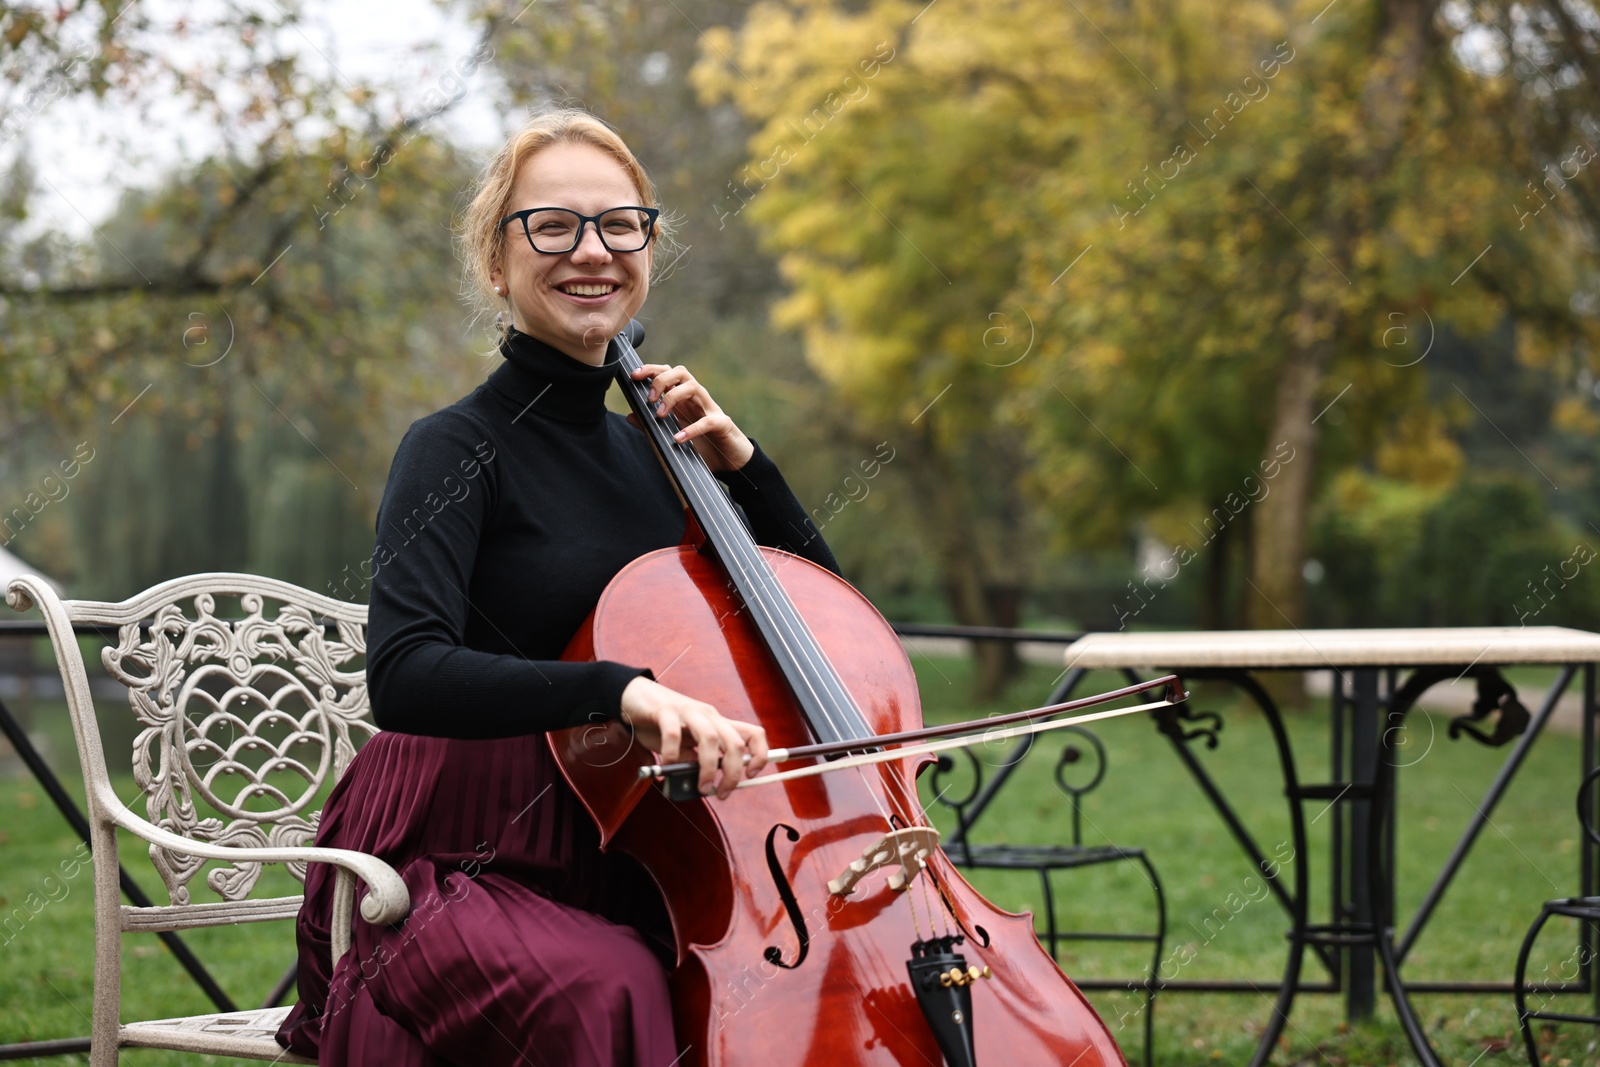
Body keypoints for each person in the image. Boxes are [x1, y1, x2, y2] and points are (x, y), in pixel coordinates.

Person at [276, 108, 839, 1067]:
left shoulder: (665, 457)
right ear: (498, 263)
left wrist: (750, 469)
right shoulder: (452, 448)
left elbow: (820, 639)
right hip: (455, 857)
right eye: (554, 225)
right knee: (611, 983)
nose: (594, 251)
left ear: (649, 247)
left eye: (622, 225)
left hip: (638, 841)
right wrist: (616, 687)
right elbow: (406, 673)